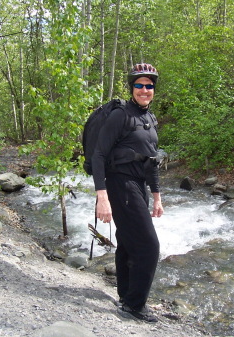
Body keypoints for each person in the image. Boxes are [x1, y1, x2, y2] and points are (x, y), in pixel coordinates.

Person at [91, 63, 164, 323]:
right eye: (139, 85)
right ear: (132, 88)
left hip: (138, 186)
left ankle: (125, 296)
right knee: (149, 246)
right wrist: (103, 197)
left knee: (127, 243)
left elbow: (151, 161)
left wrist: (156, 196)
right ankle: (135, 305)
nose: (145, 90)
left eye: (149, 85)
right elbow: (99, 155)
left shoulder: (150, 119)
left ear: (154, 89)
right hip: (119, 184)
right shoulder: (121, 116)